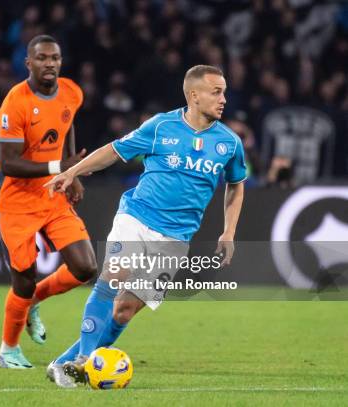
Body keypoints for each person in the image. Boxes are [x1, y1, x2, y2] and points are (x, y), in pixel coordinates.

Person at [44, 65, 247, 387]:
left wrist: (229, 231)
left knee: (124, 310)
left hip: (176, 238)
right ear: (194, 96)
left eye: (224, 91)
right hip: (137, 217)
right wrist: (74, 172)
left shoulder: (230, 143)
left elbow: (236, 185)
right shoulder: (160, 126)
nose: (223, 99)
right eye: (216, 92)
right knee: (114, 276)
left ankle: (64, 361)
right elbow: (114, 151)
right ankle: (84, 361)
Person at [0, 34, 97, 369]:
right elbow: (8, 163)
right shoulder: (15, 103)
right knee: (23, 277)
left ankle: (34, 301)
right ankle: (8, 349)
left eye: (54, 58)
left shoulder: (71, 92)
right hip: (16, 197)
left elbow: (67, 125)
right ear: (29, 63)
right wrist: (59, 167)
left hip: (52, 193)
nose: (49, 63)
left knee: (85, 267)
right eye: (42, 58)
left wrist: (73, 173)